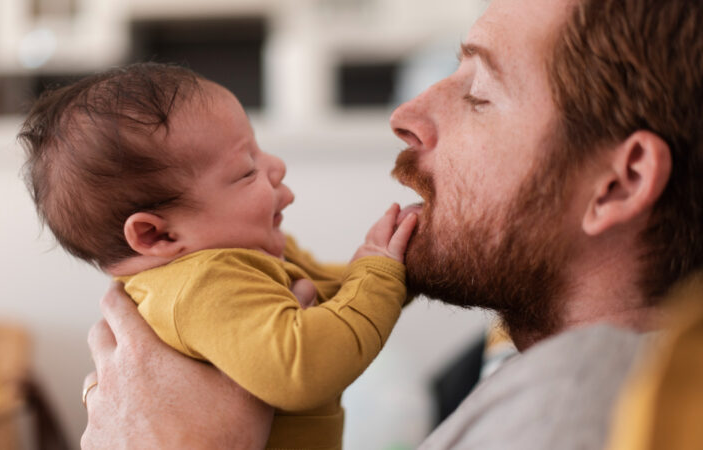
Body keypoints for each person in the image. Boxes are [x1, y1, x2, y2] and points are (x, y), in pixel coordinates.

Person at [81, 0, 703, 447]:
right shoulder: (511, 363)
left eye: (480, 94)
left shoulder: (584, 393)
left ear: (617, 183)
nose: (406, 116)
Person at [19, 64, 418, 450]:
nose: (276, 166)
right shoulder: (203, 284)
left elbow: (332, 300)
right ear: (156, 233)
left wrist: (399, 265)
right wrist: (379, 273)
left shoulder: (238, 258)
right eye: (246, 170)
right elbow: (304, 366)